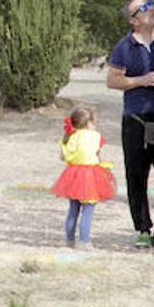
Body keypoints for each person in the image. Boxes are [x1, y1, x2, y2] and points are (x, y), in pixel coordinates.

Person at [106, 0, 154, 249]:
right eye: (144, 8)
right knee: (137, 177)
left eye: (152, 4)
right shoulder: (124, 47)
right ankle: (142, 228)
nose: (151, 9)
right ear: (133, 20)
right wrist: (143, 80)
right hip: (136, 122)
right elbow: (113, 81)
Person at [50, 105, 116, 250]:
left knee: (73, 210)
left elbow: (63, 156)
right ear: (88, 123)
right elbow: (98, 157)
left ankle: (69, 240)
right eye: (94, 122)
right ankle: (84, 241)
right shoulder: (96, 136)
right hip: (90, 175)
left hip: (73, 175)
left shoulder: (71, 136)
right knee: (88, 209)